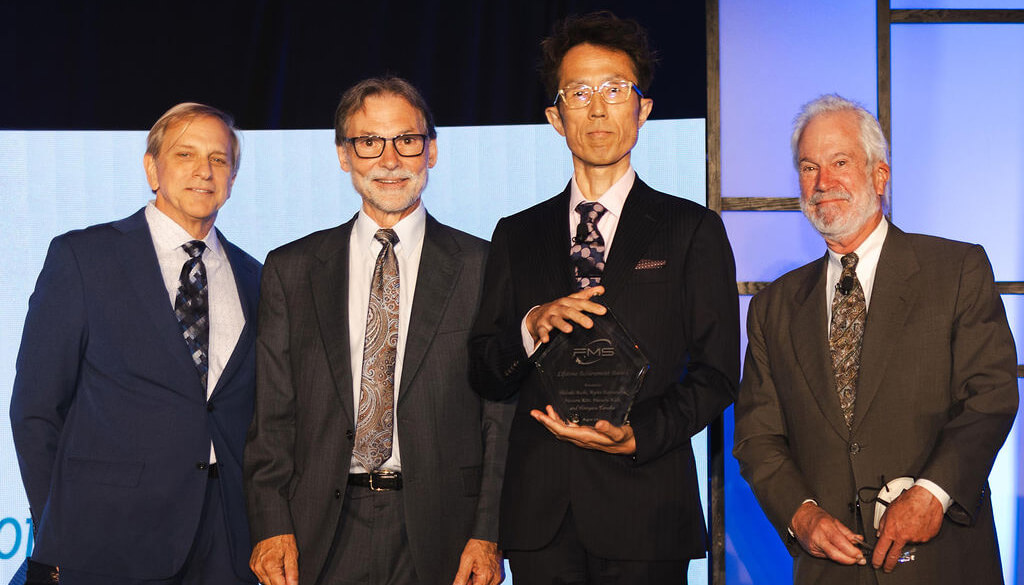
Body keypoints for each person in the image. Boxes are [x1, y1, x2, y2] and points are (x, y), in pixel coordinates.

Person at [468, 11, 739, 584]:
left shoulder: (690, 229)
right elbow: (486, 371)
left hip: (647, 507)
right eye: (579, 92)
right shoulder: (516, 234)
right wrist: (530, 326)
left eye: (615, 90)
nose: (597, 108)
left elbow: (718, 375)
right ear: (555, 117)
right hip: (541, 517)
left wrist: (640, 433)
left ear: (642, 109)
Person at [733, 94, 1018, 584]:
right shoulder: (772, 308)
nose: (823, 183)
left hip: (942, 560)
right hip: (830, 570)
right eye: (808, 167)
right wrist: (801, 516)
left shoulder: (956, 271)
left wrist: (933, 492)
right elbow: (758, 439)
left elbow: (991, 398)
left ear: (880, 175)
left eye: (839, 162)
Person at [244, 76, 512, 585]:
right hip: (316, 530)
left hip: (445, 532)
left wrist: (489, 532)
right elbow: (272, 416)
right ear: (344, 155)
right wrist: (271, 524)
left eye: (407, 140)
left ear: (431, 150)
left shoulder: (484, 266)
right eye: (368, 142)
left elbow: (498, 420)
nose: (389, 160)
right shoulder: (292, 269)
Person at [10, 103, 261, 584]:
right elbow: (35, 410)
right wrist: (57, 531)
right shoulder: (83, 258)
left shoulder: (255, 276)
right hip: (107, 540)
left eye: (219, 159)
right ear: (152, 168)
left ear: (232, 177)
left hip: (226, 542)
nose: (204, 172)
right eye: (185, 154)